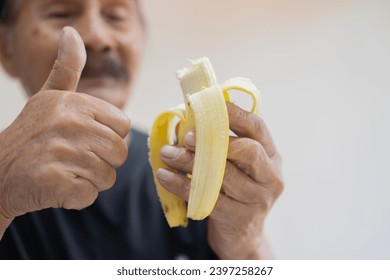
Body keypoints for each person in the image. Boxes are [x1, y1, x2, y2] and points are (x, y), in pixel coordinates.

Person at [0, 0, 283, 259]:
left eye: (116, 17)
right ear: (6, 49)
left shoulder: (193, 178)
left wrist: (246, 244)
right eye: (60, 14)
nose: (97, 37)